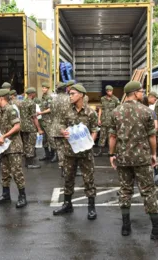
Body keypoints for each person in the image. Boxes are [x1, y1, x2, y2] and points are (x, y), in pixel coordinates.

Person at [109, 81, 158, 239]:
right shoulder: (146, 112)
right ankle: (157, 229)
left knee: (125, 191)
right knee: (148, 192)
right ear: (135, 93)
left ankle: (126, 226)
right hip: (142, 158)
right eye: (141, 91)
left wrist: (112, 155)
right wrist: (153, 154)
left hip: (123, 158)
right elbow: (152, 136)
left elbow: (112, 136)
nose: (143, 94)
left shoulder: (116, 112)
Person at [53, 84, 98, 220]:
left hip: (85, 152)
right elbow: (59, 124)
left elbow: (95, 130)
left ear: (81, 95)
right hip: (69, 151)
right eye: (70, 94)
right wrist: (62, 131)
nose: (70, 96)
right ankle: (67, 204)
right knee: (68, 178)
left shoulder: (91, 112)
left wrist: (90, 142)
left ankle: (91, 207)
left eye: (73, 93)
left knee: (88, 179)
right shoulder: (67, 110)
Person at [0, 89, 27, 208]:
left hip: (14, 146)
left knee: (17, 172)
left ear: (2, 98)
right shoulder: (0, 110)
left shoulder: (11, 109)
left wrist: (4, 136)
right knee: (5, 172)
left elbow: (17, 126)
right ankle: (5, 195)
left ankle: (22, 196)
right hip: (4, 147)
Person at [19, 87, 44, 169]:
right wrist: (39, 129)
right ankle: (30, 163)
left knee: (25, 143)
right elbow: (34, 117)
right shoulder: (31, 103)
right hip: (30, 126)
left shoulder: (22, 102)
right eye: (34, 93)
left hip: (23, 126)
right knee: (31, 144)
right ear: (32, 94)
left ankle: (26, 161)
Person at [50, 82, 71, 176]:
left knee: (60, 149)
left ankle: (63, 169)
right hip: (66, 128)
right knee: (69, 149)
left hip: (55, 128)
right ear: (65, 89)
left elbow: (52, 114)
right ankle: (69, 169)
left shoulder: (53, 100)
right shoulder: (69, 99)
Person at [95, 85, 120, 157]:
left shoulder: (115, 99)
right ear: (106, 91)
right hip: (104, 121)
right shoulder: (103, 99)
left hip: (112, 122)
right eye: (108, 91)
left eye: (111, 91)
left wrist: (116, 121)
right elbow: (100, 109)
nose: (110, 92)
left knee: (111, 137)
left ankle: (111, 152)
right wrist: (99, 119)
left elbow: (118, 111)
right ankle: (100, 151)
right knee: (102, 137)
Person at [37, 82, 56, 161]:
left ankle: (54, 155)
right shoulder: (42, 97)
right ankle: (47, 155)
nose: (43, 89)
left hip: (48, 121)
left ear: (48, 89)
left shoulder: (49, 97)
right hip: (42, 120)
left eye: (45, 88)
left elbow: (50, 108)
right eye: (43, 87)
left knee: (50, 138)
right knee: (44, 139)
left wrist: (41, 112)